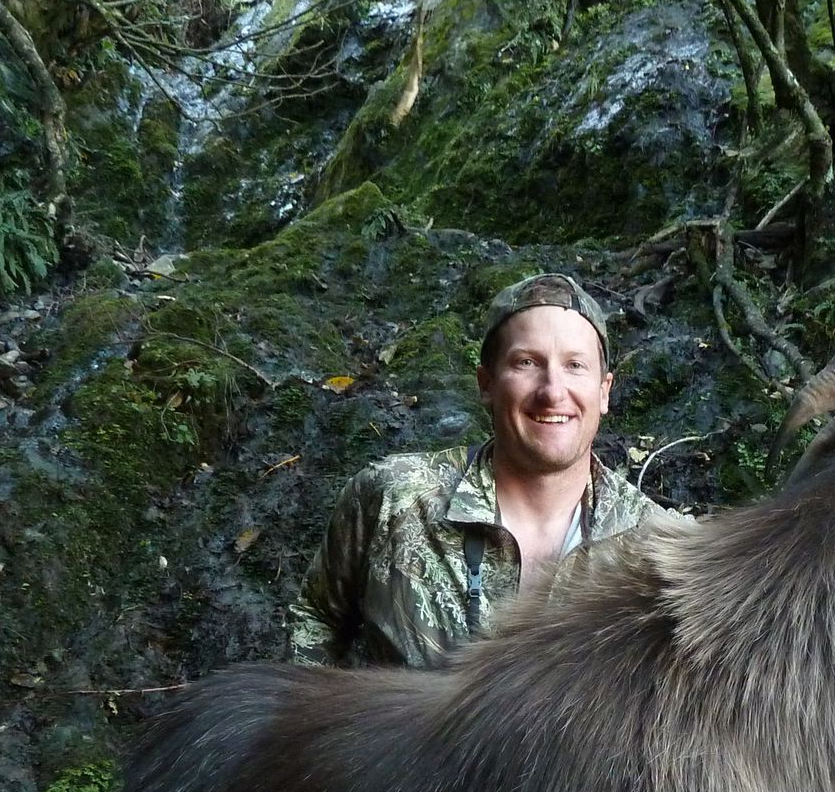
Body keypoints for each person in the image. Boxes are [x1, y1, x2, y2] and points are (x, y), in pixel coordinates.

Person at [287, 273, 676, 667]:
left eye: (575, 365)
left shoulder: (659, 549)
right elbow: (316, 619)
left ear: (604, 391)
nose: (553, 391)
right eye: (527, 362)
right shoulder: (394, 500)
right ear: (486, 384)